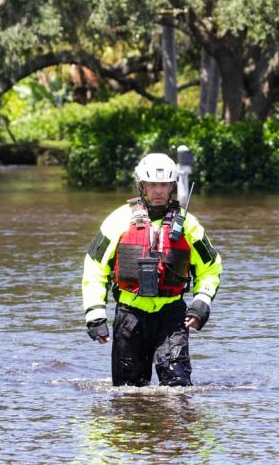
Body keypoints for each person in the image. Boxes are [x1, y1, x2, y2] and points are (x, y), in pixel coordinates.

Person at [81, 153, 222, 386]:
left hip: (172, 316)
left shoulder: (189, 225)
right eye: (152, 185)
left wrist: (202, 302)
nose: (158, 191)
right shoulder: (118, 221)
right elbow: (95, 268)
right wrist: (95, 315)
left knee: (178, 390)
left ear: (172, 187)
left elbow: (210, 267)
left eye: (164, 185)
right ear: (141, 185)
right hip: (130, 316)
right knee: (128, 394)